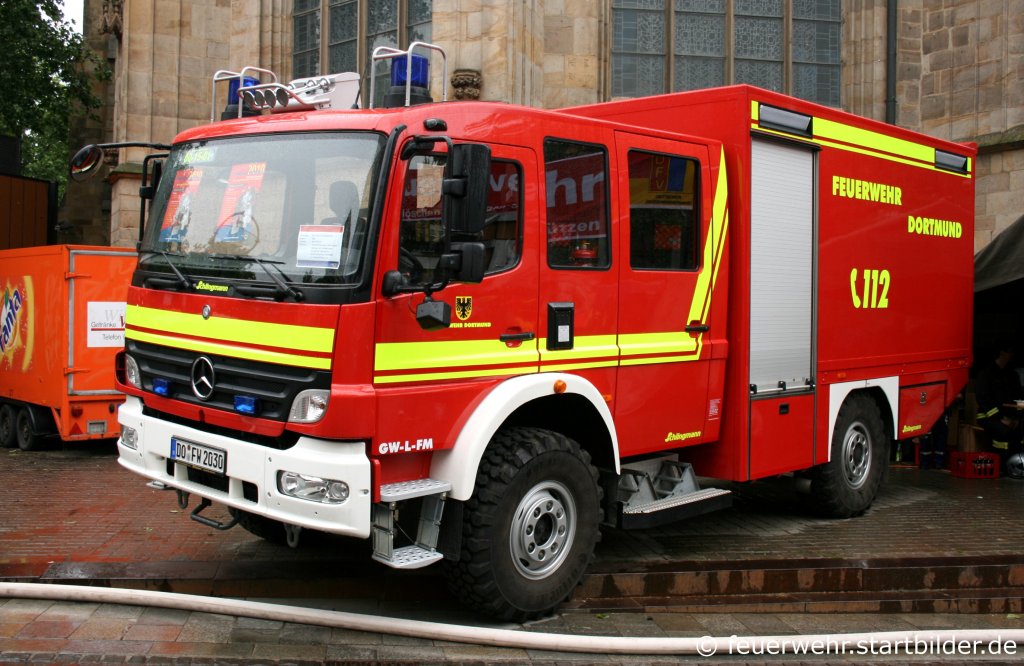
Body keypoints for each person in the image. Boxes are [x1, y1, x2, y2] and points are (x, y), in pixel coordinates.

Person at [974, 344, 1024, 470]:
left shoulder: (1011, 375)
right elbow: (983, 400)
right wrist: (1001, 418)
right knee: (1003, 433)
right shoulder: (986, 374)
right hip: (989, 416)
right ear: (1002, 353)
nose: (1012, 355)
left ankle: (1017, 464)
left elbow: (1018, 397)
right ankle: (1001, 466)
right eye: (1010, 352)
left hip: (1011, 416)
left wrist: (1016, 419)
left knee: (1020, 430)